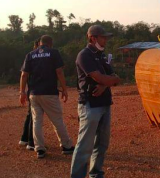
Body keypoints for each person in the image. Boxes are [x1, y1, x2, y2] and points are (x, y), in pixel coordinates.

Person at [70, 25, 121, 178]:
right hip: (90, 105)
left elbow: (115, 77)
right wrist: (107, 81)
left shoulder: (101, 55)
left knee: (102, 143)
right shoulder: (85, 55)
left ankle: (96, 173)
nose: (105, 39)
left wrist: (105, 85)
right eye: (103, 37)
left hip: (104, 103)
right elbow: (98, 77)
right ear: (93, 38)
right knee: (85, 145)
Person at [20, 35, 74, 159]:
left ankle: (39, 149)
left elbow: (24, 75)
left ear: (39, 43)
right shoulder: (54, 53)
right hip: (49, 93)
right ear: (51, 43)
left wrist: (22, 92)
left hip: (33, 94)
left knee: (37, 121)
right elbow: (59, 72)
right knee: (57, 120)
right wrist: (64, 89)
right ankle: (66, 146)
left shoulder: (30, 54)